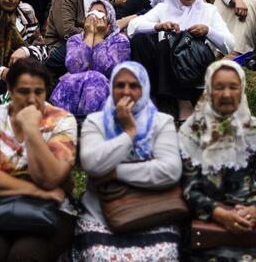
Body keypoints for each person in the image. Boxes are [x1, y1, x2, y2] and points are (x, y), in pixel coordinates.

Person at [0, 59, 77, 261]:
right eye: (24, 92)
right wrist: (32, 190)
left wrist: (32, 130)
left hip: (50, 211)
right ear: (10, 89)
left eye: (39, 92)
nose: (32, 99)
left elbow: (50, 178)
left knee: (25, 255)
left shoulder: (62, 120)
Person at [72, 61, 183, 260]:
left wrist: (115, 173)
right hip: (101, 212)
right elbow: (93, 164)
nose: (126, 91)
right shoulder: (96, 121)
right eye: (119, 85)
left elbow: (169, 170)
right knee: (99, 255)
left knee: (163, 254)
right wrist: (129, 133)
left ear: (145, 88)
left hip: (151, 210)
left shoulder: (161, 122)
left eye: (134, 86)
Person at [179, 60, 256, 262]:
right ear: (208, 90)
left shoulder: (255, 130)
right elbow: (188, 188)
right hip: (205, 223)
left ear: (242, 90)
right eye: (219, 87)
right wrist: (219, 213)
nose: (226, 94)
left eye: (233, 87)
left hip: (251, 224)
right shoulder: (191, 131)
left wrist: (255, 209)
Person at [128, 0, 234, 114]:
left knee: (169, 44)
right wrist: (158, 26)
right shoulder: (163, 9)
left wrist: (208, 31)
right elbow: (133, 27)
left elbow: (230, 44)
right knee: (146, 41)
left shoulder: (208, 10)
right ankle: (151, 97)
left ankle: (179, 103)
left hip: (195, 65)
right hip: (167, 66)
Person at [50, 0, 130, 117]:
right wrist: (89, 36)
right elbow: (75, 68)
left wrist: (98, 37)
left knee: (95, 78)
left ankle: (90, 123)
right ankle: (63, 123)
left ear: (109, 20)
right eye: (91, 13)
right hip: (77, 88)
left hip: (107, 90)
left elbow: (107, 70)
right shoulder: (76, 39)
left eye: (100, 13)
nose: (94, 17)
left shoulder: (119, 40)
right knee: (69, 80)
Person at [43, 0, 106, 76]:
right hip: (60, 46)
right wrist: (95, 35)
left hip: (90, 42)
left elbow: (108, 26)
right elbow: (66, 31)